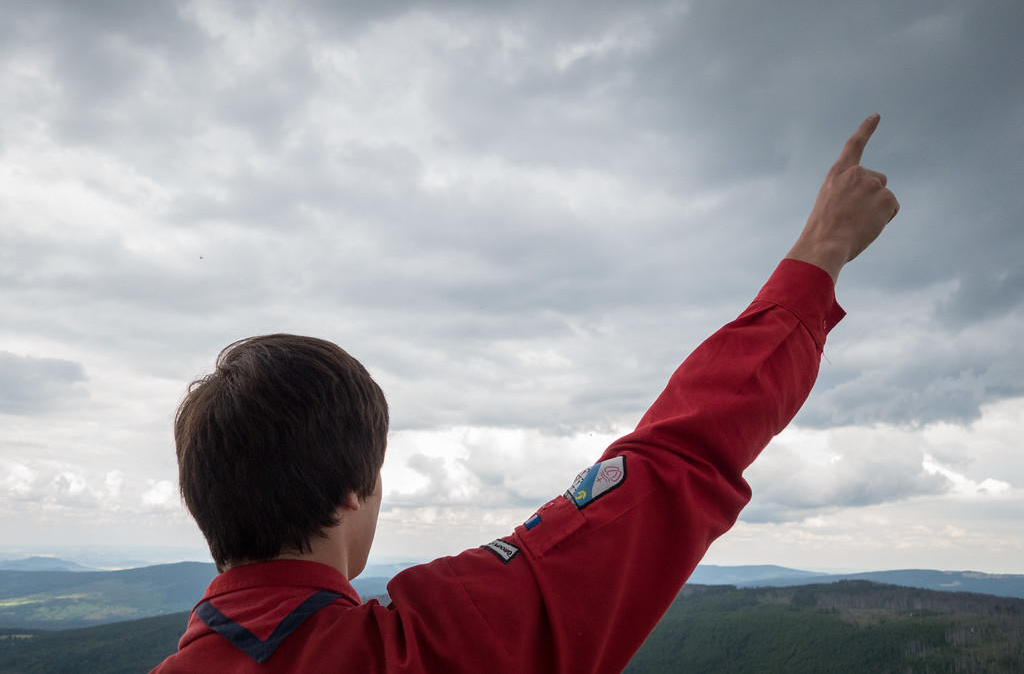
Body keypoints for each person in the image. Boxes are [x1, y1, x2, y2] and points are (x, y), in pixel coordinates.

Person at [152, 114, 899, 673]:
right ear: (355, 488)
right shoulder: (429, 650)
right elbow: (672, 462)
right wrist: (819, 254)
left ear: (205, 504)